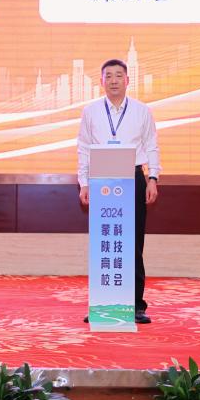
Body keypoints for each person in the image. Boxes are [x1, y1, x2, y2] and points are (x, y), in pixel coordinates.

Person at [77, 58, 161, 324]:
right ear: (101, 81)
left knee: (133, 243)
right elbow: (83, 148)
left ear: (127, 80)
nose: (113, 81)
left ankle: (136, 305)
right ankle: (102, 303)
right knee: (104, 242)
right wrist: (84, 183)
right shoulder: (91, 111)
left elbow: (151, 145)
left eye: (118, 76)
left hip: (132, 178)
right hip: (101, 180)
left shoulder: (141, 111)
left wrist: (153, 178)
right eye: (108, 76)